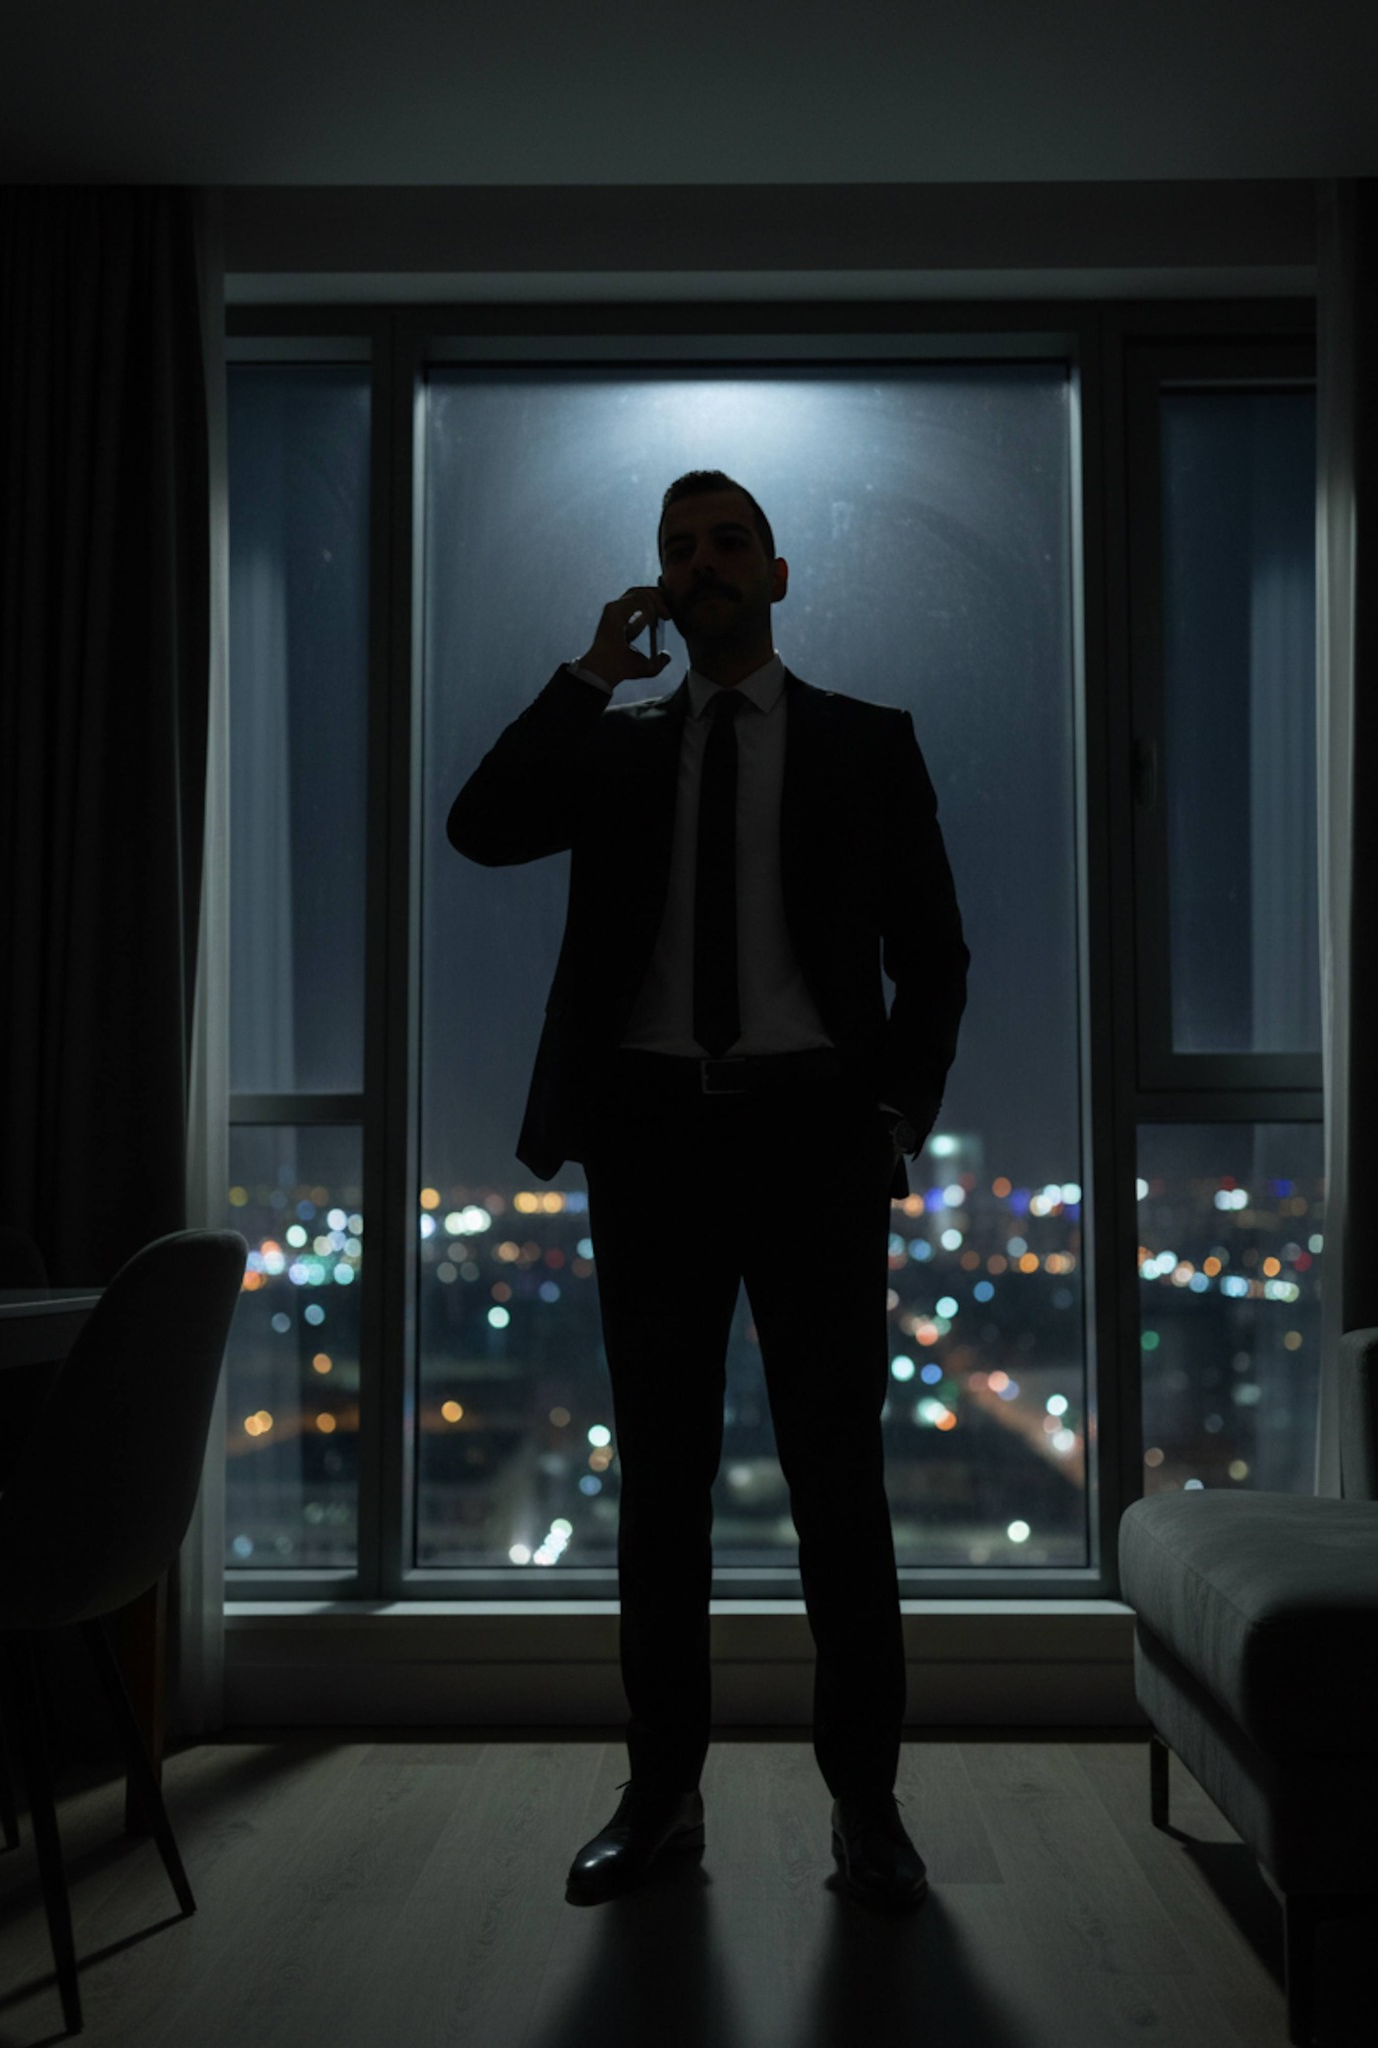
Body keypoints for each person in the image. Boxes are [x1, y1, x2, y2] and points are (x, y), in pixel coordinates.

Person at [446, 468, 969, 1909]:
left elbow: (934, 955)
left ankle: (867, 1808)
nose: (701, 563)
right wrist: (587, 675)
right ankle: (662, 1797)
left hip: (814, 1142)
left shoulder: (865, 743)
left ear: (778, 575)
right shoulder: (617, 748)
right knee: (662, 1486)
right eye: (678, 548)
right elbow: (480, 824)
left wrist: (893, 1117)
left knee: (839, 1484)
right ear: (659, 585)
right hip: (655, 1143)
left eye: (728, 541)